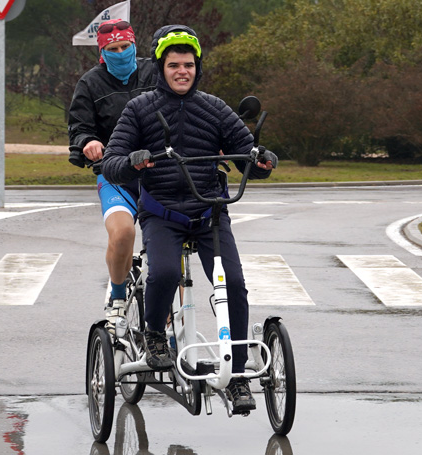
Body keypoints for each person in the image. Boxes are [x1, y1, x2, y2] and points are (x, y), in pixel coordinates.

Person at [101, 25, 277, 415]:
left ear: (198, 67)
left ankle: (237, 377)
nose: (183, 71)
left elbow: (245, 153)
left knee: (232, 283)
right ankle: (154, 337)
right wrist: (132, 162)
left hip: (210, 212)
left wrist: (261, 160)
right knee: (162, 273)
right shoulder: (140, 109)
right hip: (162, 213)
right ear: (161, 67)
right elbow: (111, 163)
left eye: (189, 65)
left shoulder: (215, 108)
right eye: (174, 64)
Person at [68, 19, 155, 335]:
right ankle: (118, 294)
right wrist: (87, 143)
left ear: (135, 45)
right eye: (112, 49)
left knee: (171, 247)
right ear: (102, 51)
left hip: (161, 173)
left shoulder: (156, 72)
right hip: (116, 174)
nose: (120, 53)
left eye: (125, 47)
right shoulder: (90, 84)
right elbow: (79, 128)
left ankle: (175, 315)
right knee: (122, 235)